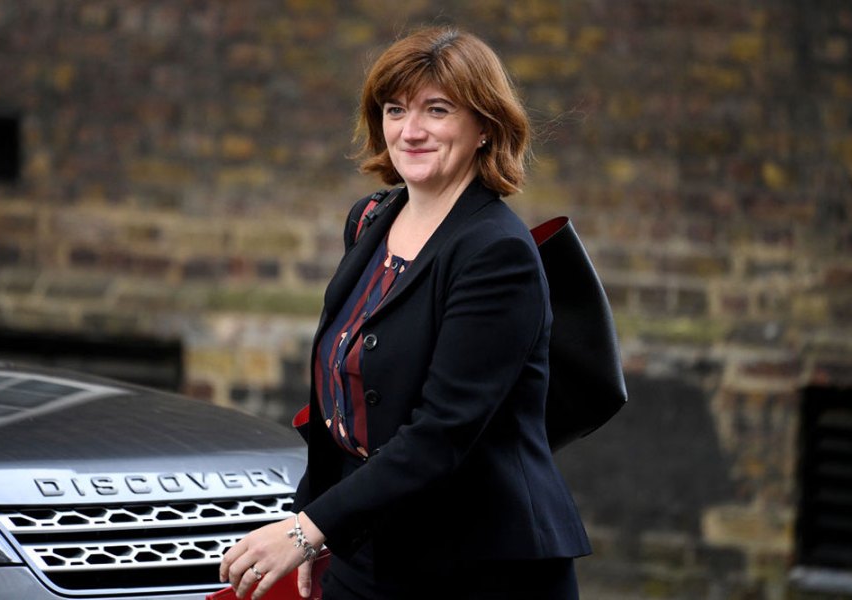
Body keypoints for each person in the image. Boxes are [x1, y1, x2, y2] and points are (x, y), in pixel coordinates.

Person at [219, 25, 590, 600]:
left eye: (436, 110)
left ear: (484, 128)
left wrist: (306, 532)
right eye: (395, 110)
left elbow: (441, 433)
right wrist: (320, 519)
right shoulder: (371, 220)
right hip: (370, 540)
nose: (410, 131)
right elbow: (335, 407)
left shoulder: (496, 253)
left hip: (477, 563)